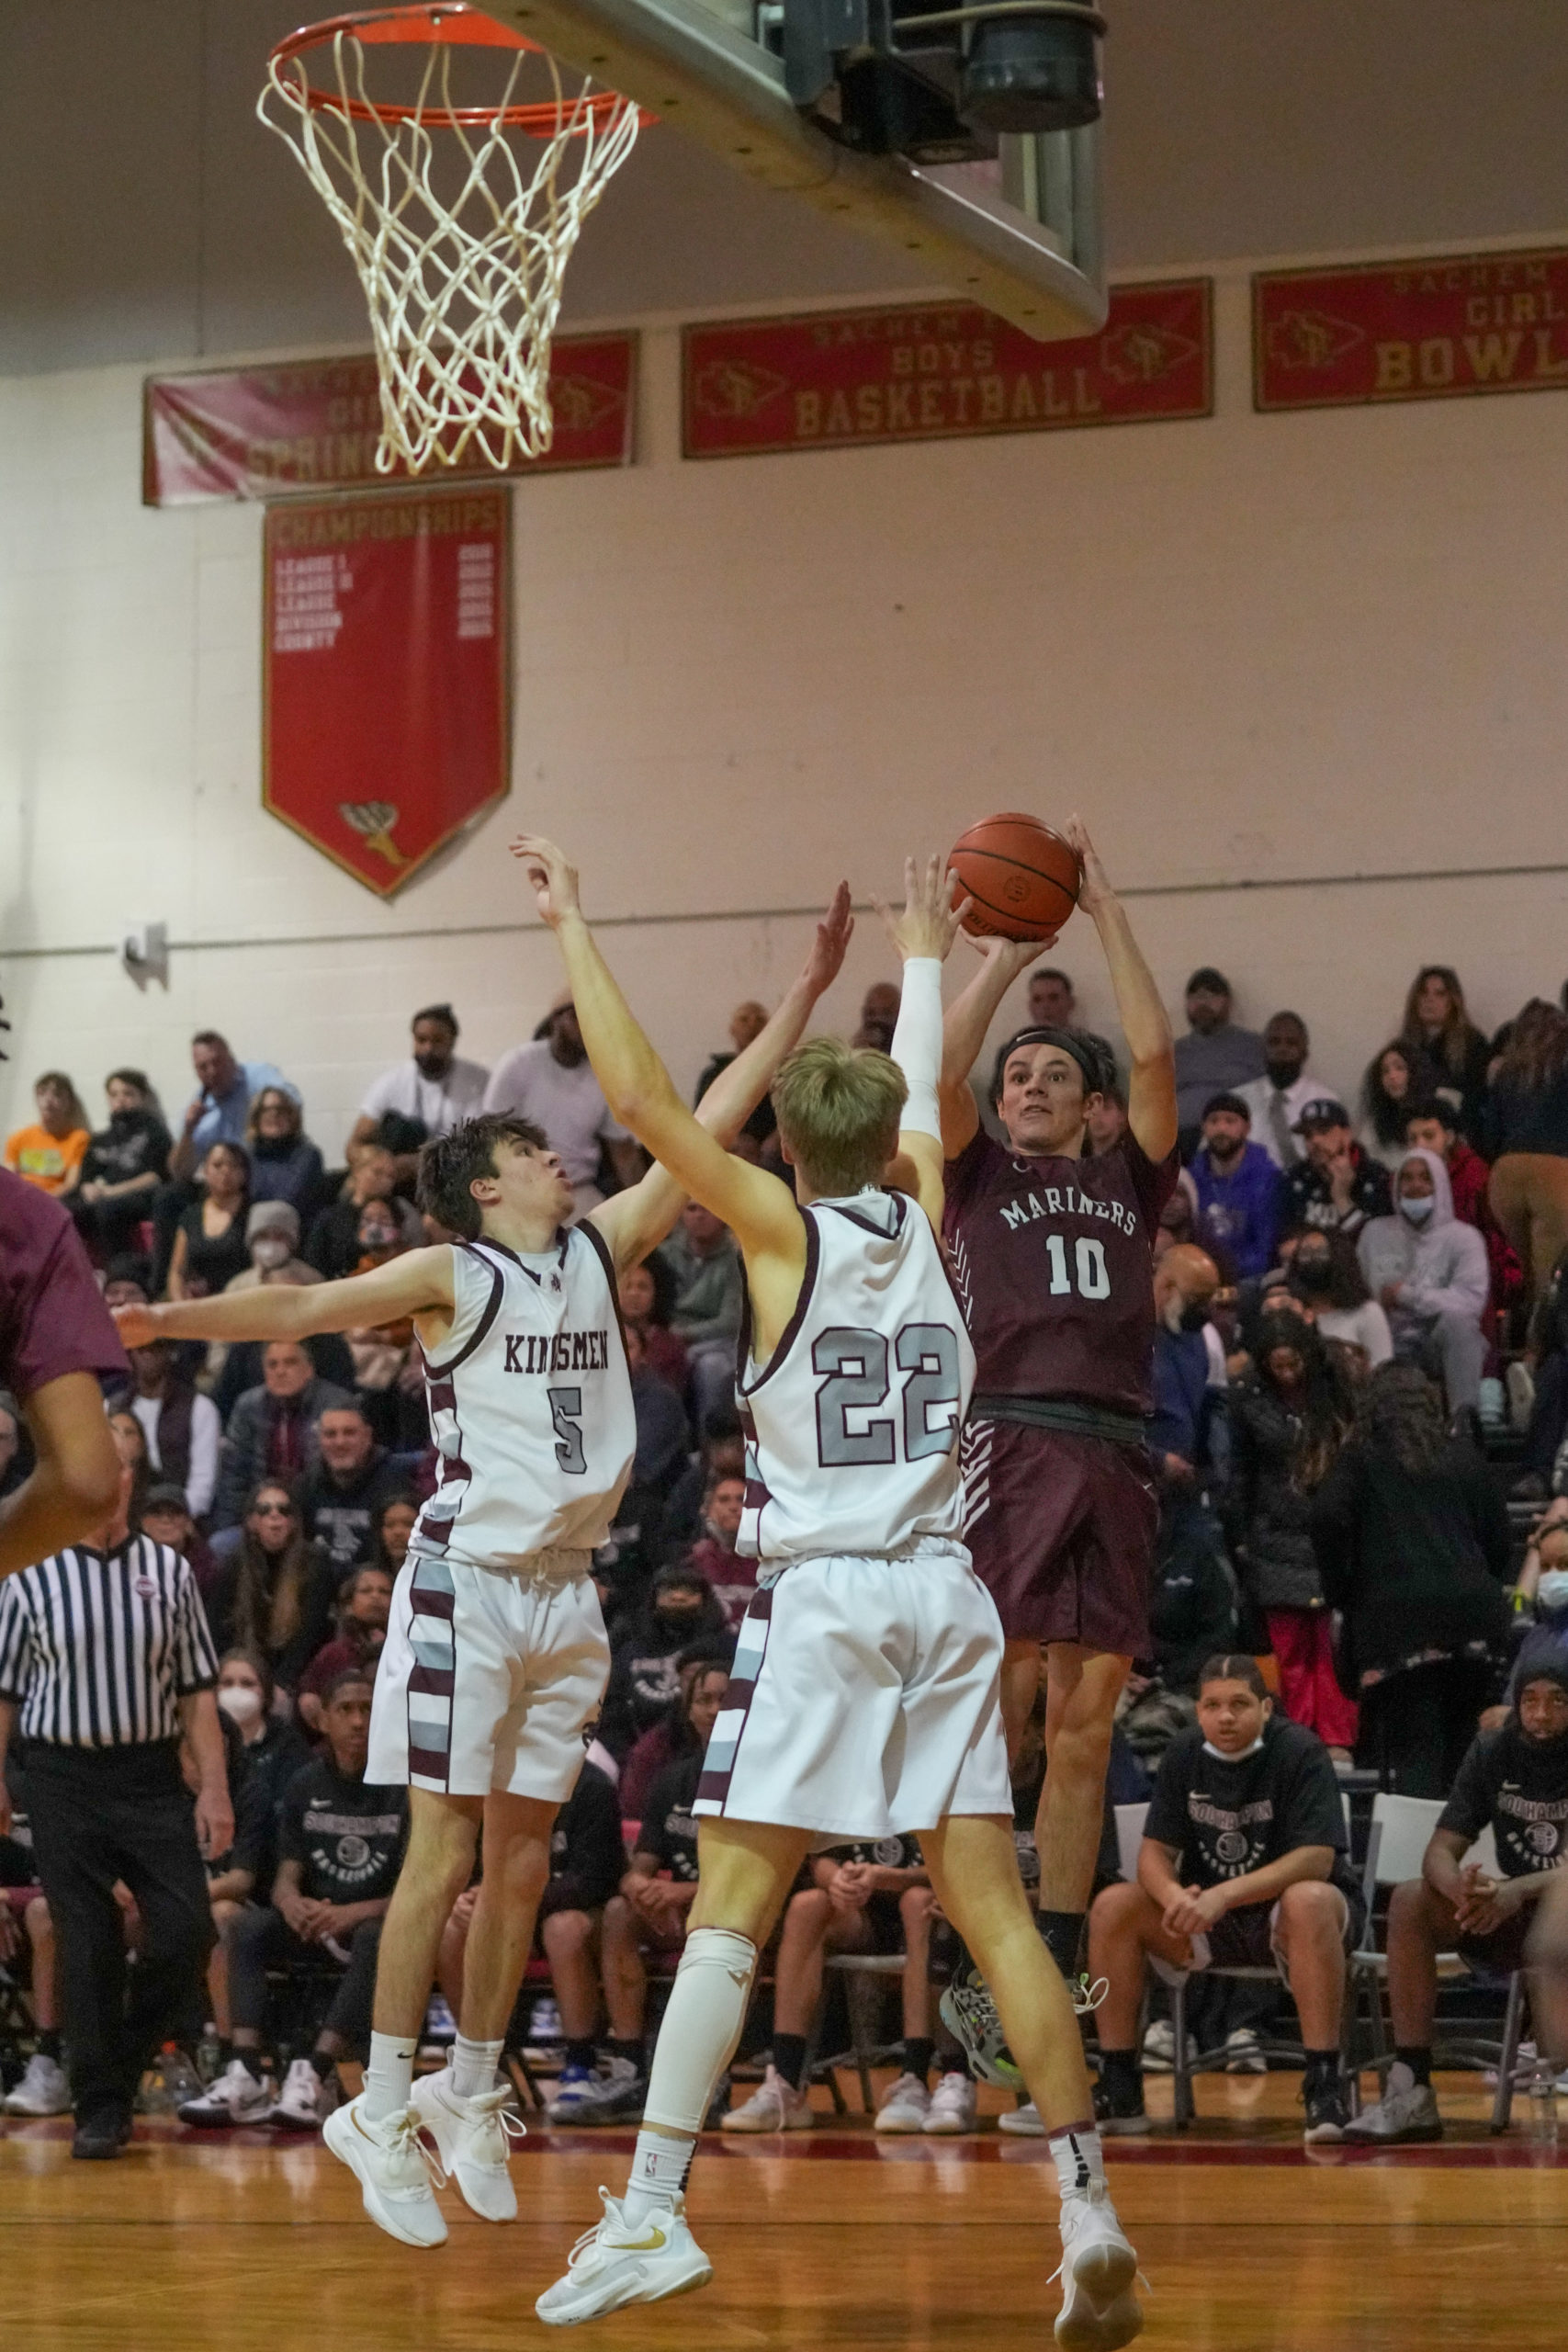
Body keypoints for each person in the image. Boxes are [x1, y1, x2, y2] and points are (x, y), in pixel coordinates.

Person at [114, 882, 852, 2252]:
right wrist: (167, 1314)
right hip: (469, 1579)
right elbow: (302, 1303)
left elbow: (690, 1137)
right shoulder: (453, 1276)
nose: (557, 1160)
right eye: (530, 1152)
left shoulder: (598, 1245)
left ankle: (465, 2088)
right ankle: (376, 2104)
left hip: (570, 1591)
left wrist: (803, 1000)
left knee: (516, 1865)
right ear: (484, 1182)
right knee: (438, 1850)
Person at [521, 833, 1144, 2346]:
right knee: (997, 1916)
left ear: (793, 1148)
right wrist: (926, 954)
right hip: (947, 1592)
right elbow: (928, 1089)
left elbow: (639, 1105)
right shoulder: (934, 1207)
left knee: (731, 1909)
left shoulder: (778, 1232)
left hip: (824, 1599)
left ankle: (654, 2214)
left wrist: (576, 921)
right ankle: (1086, 2208)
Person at [934, 820, 1178, 2026]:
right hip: (1010, 1440)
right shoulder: (975, 1178)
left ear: (1088, 1112)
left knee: (1084, 1729)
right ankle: (966, 1964)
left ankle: (1057, 1960)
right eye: (1015, 1075)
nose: (1025, 1086)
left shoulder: (1125, 1180)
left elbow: (1148, 1052)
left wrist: (1108, 908)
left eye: (1049, 1078)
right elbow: (936, 1076)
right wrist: (999, 950)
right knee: (999, 1721)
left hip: (1117, 1451)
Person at [0, 1459, 229, 2157]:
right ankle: (101, 2108)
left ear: (125, 1481)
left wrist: (214, 1787)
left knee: (190, 1930)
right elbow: (3, 1697)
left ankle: (118, 2062)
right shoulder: (27, 1573)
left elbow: (196, 1694)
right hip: (60, 1774)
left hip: (150, 1773)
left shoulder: (170, 1571)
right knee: (88, 1936)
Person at [1087, 1656, 1362, 2143]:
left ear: (1266, 1707)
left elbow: (1315, 1859)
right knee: (1113, 1905)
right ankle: (1121, 2082)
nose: (1225, 1717)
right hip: (1213, 1924)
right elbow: (1154, 1852)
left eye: (1239, 1704)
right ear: (1197, 1711)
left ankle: (1324, 2082)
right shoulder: (1185, 1752)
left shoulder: (1299, 1750)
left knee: (1309, 1898)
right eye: (1212, 1705)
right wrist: (1174, 1896)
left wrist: (1220, 1896)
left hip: (1293, 1919)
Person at [1346, 1660, 1568, 2143]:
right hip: (1511, 1908)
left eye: (1557, 1701)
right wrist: (1460, 1891)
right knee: (1409, 1901)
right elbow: (1440, 1850)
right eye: (1530, 1701)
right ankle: (1412, 2089)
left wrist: (1516, 1890)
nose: (1542, 1714)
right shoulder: (1493, 1749)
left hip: (1557, 1910)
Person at [180, 1671, 407, 2132]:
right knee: (244, 1926)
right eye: (346, 1709)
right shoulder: (305, 1784)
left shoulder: (404, 1789)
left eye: (368, 1709)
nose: (358, 1720)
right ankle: (245, 2070)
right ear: (322, 1719)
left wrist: (351, 1912)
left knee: (377, 1937)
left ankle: (315, 2074)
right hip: (313, 1922)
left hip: (373, 1924)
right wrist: (290, 1903)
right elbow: (286, 1874)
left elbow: (415, 1890)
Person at [1311, 1363, 1512, 1794]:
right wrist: (1479, 1581)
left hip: (1396, 1627)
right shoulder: (1463, 1456)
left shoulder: (1359, 1460)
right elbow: (1499, 1539)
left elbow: (1326, 1515)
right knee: (1465, 1754)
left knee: (1415, 1756)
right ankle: (1460, 1853)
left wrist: (1342, 1591)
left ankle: (1417, 1855)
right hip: (1475, 1620)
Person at [723, 1833, 940, 2135]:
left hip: (921, 1911)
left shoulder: (934, 1788)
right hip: (857, 1915)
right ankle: (788, 2084)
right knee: (807, 1904)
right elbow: (822, 1857)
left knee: (919, 1902)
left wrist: (889, 1877)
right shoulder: (849, 1787)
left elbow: (953, 1867)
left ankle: (914, 2079)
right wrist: (836, 1879)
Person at [593, 1665, 731, 2125]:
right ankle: (630, 2065)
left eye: (724, 1699)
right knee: (617, 1913)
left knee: (720, 1919)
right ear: (688, 1710)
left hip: (740, 1914)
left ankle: (717, 2075)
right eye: (703, 1700)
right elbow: (643, 1864)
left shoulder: (765, 1776)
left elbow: (765, 1879)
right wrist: (640, 1888)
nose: (713, 1710)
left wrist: (682, 1894)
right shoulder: (672, 1779)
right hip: (681, 1910)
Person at [1225, 1313, 1358, 1759]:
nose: (1286, 1374)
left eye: (1293, 1365)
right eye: (1277, 1367)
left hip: (1330, 1529)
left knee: (1332, 1648)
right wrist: (1242, 1534)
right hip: (1274, 1535)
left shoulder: (1336, 1391)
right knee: (1291, 1655)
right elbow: (1239, 1473)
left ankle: (1339, 1740)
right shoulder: (1249, 1401)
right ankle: (1301, 1742)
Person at [535, 1758, 639, 2121]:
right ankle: (479, 2066)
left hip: (582, 1913)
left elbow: (593, 1880)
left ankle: (581, 2066)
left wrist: (518, 1898)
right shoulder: (502, 1778)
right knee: (457, 1925)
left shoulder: (592, 1785)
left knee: (562, 1929)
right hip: (517, 1912)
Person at [153, 1035, 298, 1291]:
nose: (212, 1072)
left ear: (231, 1059)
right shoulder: (198, 1107)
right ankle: (162, 1286)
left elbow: (290, 1107)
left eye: (217, 1063)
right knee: (168, 1196)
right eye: (202, 1067)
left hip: (262, 1170)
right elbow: (179, 1171)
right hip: (219, 1186)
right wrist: (188, 1131)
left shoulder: (258, 1076)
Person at [1357, 1148, 1490, 1411]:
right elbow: (1354, 1293)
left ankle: (1463, 1423)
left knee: (1460, 1325)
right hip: (1384, 1340)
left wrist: (1407, 1296)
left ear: (1439, 1184)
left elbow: (1470, 1302)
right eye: (1407, 1178)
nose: (1415, 1186)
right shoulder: (1374, 1233)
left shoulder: (1464, 1238)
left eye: (1425, 1178)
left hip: (1434, 1342)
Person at [483, 997, 644, 1215]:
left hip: (578, 1189)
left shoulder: (604, 1074)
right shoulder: (518, 1064)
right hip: (522, 1191)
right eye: (577, 1018)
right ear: (555, 1019)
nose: (586, 1026)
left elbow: (623, 1153)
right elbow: (490, 1137)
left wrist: (646, 1207)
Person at [204, 1482, 340, 1696]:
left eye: (284, 1510)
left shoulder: (315, 1563)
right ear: (251, 1522)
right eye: (264, 1510)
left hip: (294, 1678)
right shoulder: (233, 1565)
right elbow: (217, 1630)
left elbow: (310, 1635)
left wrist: (281, 1683)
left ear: (294, 1522)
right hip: (243, 1670)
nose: (275, 1516)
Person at [212, 1340, 353, 1528]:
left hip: (317, 1514)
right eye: (272, 1365)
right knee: (222, 1545)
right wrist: (233, 1525)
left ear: (309, 1369)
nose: (280, 1371)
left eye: (290, 1363)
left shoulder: (337, 1404)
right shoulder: (247, 1406)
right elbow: (234, 1474)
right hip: (262, 1514)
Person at [598, 1564, 730, 1760]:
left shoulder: (723, 1649)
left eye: (689, 1591)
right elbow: (611, 1715)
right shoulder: (630, 1651)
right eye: (669, 1590)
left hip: (708, 1753)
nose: (678, 1597)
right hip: (636, 1754)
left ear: (706, 1599)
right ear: (653, 1598)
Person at [1484, 1000, 1568, 1305]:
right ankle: (1540, 1348)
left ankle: (1514, 1339)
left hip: (1506, 1171)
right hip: (1556, 1169)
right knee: (1552, 1276)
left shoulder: (1505, 1072)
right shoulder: (1562, 1066)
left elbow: (1489, 1132)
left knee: (1520, 1272)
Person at [352, 1004, 491, 1174]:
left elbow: (484, 1148)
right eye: (421, 1040)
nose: (428, 1048)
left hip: (457, 1178)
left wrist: (423, 1162)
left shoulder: (479, 1081)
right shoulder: (392, 1081)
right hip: (399, 1179)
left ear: (452, 1041)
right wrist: (377, 1161)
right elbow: (354, 1145)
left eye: (437, 1040)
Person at [656, 1200, 745, 1427]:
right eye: (691, 1209)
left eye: (707, 1208)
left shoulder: (736, 1260)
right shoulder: (664, 1254)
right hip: (667, 1334)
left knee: (712, 1366)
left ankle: (709, 1448)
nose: (699, 1216)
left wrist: (684, 1335)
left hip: (717, 1343)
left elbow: (731, 1321)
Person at [298, 1402, 413, 1575]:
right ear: (320, 1441)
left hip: (378, 1589)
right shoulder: (305, 1485)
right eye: (330, 1434)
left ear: (367, 1437)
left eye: (349, 1433)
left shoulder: (395, 1484)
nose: (340, 1442)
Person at [66, 1070, 172, 1259]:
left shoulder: (156, 1133)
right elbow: (85, 1178)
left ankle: (120, 1270)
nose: (120, 1100)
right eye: (114, 1094)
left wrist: (111, 1192)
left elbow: (156, 1177)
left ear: (143, 1097)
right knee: (64, 1210)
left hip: (137, 1197)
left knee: (107, 1210)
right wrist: (88, 1188)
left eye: (128, 1093)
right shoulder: (100, 1139)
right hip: (102, 1196)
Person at [1172, 968, 1266, 1155]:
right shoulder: (1173, 1052)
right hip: (1177, 1140)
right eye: (1196, 997)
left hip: (1231, 1140)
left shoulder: (1252, 1045)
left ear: (1228, 1003)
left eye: (1211, 996)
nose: (1202, 1003)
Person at [1189, 1092, 1282, 1278]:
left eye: (1230, 1121)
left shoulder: (1268, 1179)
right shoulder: (1190, 1178)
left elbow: (1266, 1250)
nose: (1221, 1129)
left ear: (1247, 1128)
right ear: (1204, 1127)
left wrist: (1223, 1271)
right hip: (1197, 1275)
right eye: (1214, 1121)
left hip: (1249, 1279)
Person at [297, 1562, 396, 1733]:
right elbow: (309, 1694)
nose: (375, 1597)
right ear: (349, 1605)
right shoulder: (334, 1653)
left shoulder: (408, 1651)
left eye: (384, 1592)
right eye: (366, 1591)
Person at [1399, 965, 1492, 1137]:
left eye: (1439, 994)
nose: (1429, 1000)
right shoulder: (1404, 1046)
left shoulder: (1472, 1042)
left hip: (1457, 1132)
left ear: (1453, 1001)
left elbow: (1478, 1097)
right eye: (1423, 993)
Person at [305, 1145, 423, 1281]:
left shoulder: (401, 1213)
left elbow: (416, 1253)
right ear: (357, 1171)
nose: (385, 1181)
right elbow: (314, 1260)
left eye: (391, 1176)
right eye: (377, 1172)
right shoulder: (330, 1218)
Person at [1280, 1098, 1393, 1239]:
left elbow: (1377, 1248)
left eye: (1324, 1131)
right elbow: (1282, 1240)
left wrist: (1342, 1198)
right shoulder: (1294, 1178)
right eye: (1308, 1135)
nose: (1315, 1140)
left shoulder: (1376, 1176)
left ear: (1347, 1134)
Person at [1289, 1228, 1393, 1369]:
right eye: (1305, 1253)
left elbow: (1383, 1368)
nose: (1312, 1260)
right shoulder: (1292, 1312)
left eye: (1320, 1253)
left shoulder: (1367, 1312)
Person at [1234, 1013, 1325, 1170]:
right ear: (1263, 1050)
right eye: (1274, 1042)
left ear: (1305, 1053)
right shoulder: (1237, 1100)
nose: (1282, 1049)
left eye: (1292, 1043)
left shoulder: (1324, 1103)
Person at [165, 1140, 252, 1301]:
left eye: (234, 1166)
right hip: (196, 1304)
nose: (226, 1171)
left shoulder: (254, 1213)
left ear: (244, 1173)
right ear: (205, 1171)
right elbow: (177, 1272)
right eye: (218, 1165)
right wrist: (180, 1304)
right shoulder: (191, 1215)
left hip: (241, 1302)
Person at [693, 1001, 776, 1148]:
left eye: (760, 1020)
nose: (752, 1025)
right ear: (732, 1030)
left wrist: (774, 1142)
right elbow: (700, 1121)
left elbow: (796, 1118)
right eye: (744, 1019)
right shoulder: (713, 1075)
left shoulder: (783, 1073)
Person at [4, 1071, 90, 1196]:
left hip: (54, 1204)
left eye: (57, 1095)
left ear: (68, 1103)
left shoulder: (78, 1138)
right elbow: (9, 1180)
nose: (48, 1100)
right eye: (42, 1093)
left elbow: (70, 1183)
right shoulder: (18, 1138)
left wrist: (43, 1203)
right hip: (20, 1202)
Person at [244, 1086, 325, 1218]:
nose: (274, 1114)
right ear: (256, 1118)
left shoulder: (308, 1156)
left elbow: (290, 1201)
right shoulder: (246, 1158)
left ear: (292, 1117)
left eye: (280, 1110)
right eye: (266, 1110)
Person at [615, 1258, 688, 1395]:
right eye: (627, 1286)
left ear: (657, 1293)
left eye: (643, 1287)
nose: (634, 1293)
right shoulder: (601, 1340)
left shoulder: (671, 1347)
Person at [1359, 1042, 1418, 1170]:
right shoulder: (1373, 1126)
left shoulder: (1435, 1117)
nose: (1392, 1076)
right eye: (1385, 1071)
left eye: (1400, 1068)